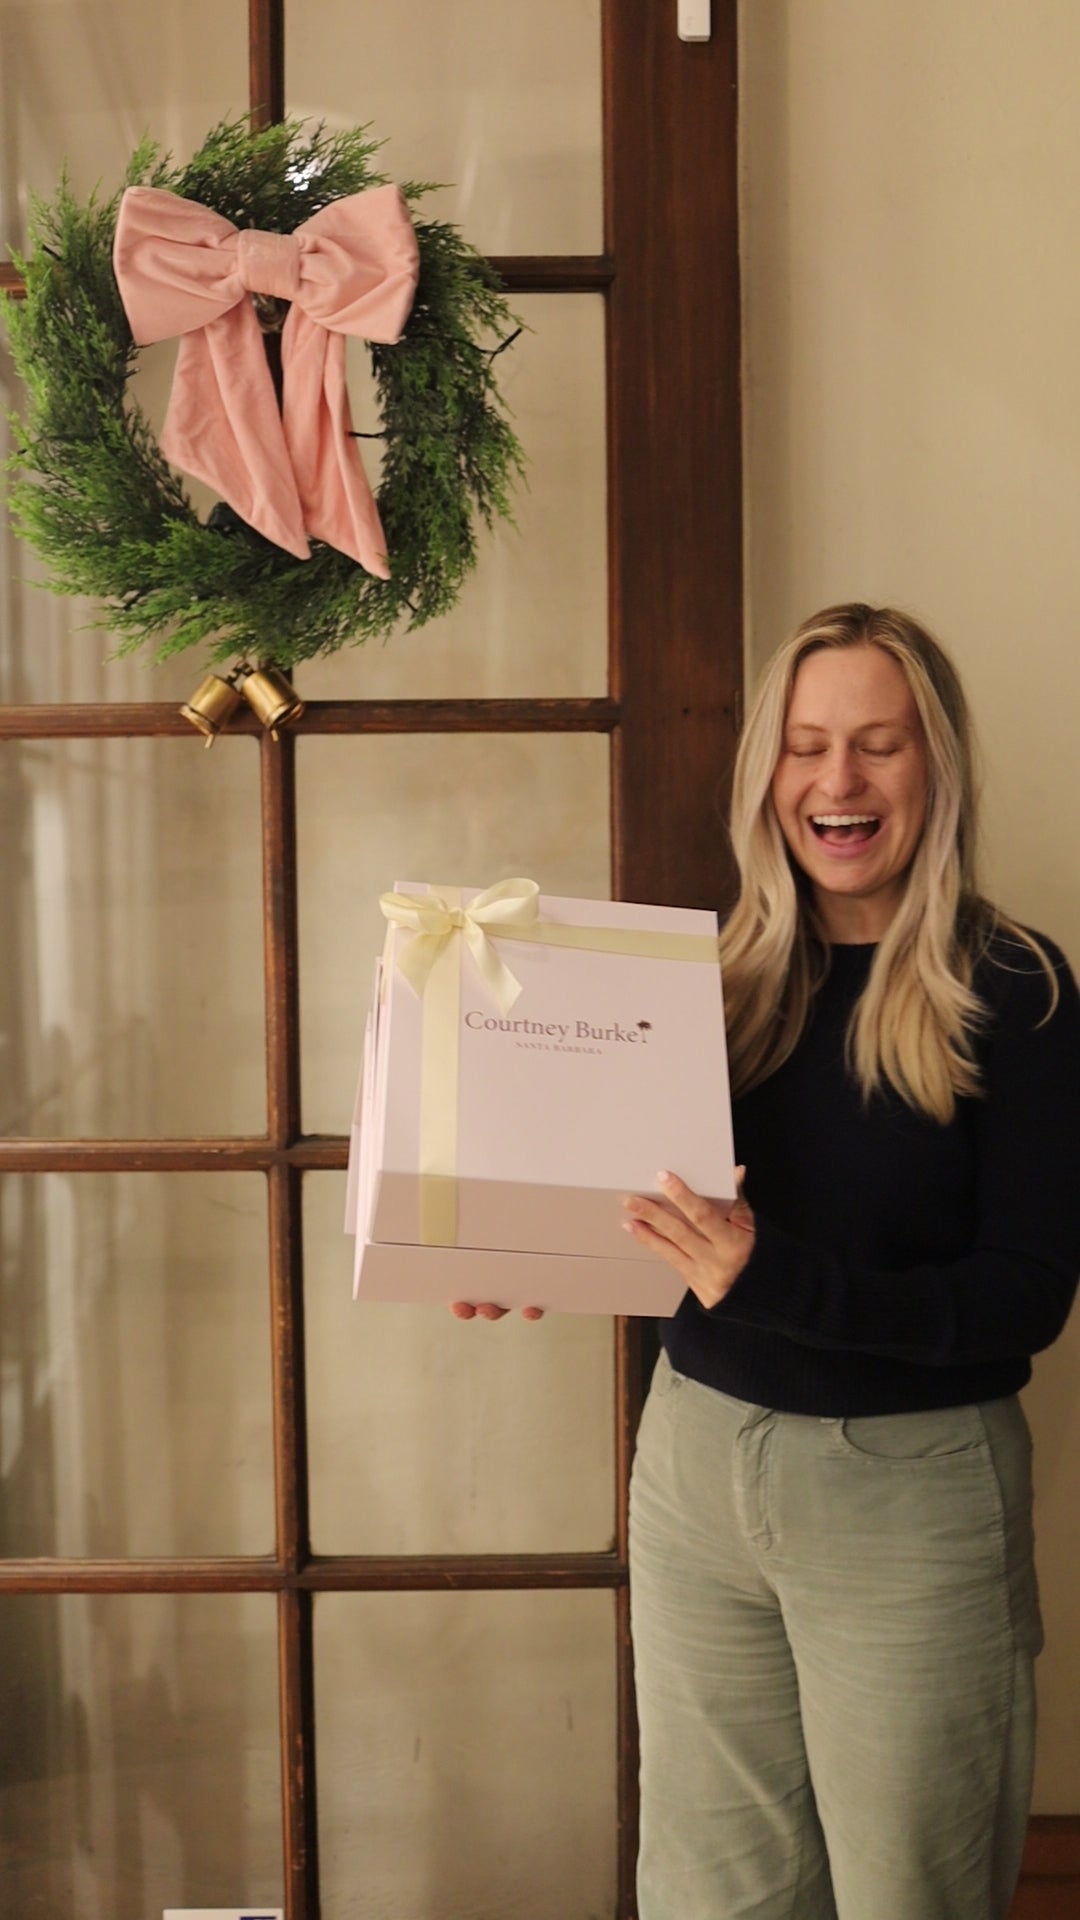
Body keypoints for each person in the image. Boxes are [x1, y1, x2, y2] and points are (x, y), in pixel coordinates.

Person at [453, 601, 1080, 1918]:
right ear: (767, 774)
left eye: (878, 744)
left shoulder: (1014, 986)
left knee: (908, 1893)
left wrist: (771, 1278)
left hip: (909, 1495)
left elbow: (1025, 1296)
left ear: (937, 767)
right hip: (694, 1467)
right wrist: (540, 1252)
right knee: (711, 1896)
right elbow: (647, 1220)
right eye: (806, 746)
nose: (838, 780)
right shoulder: (696, 981)